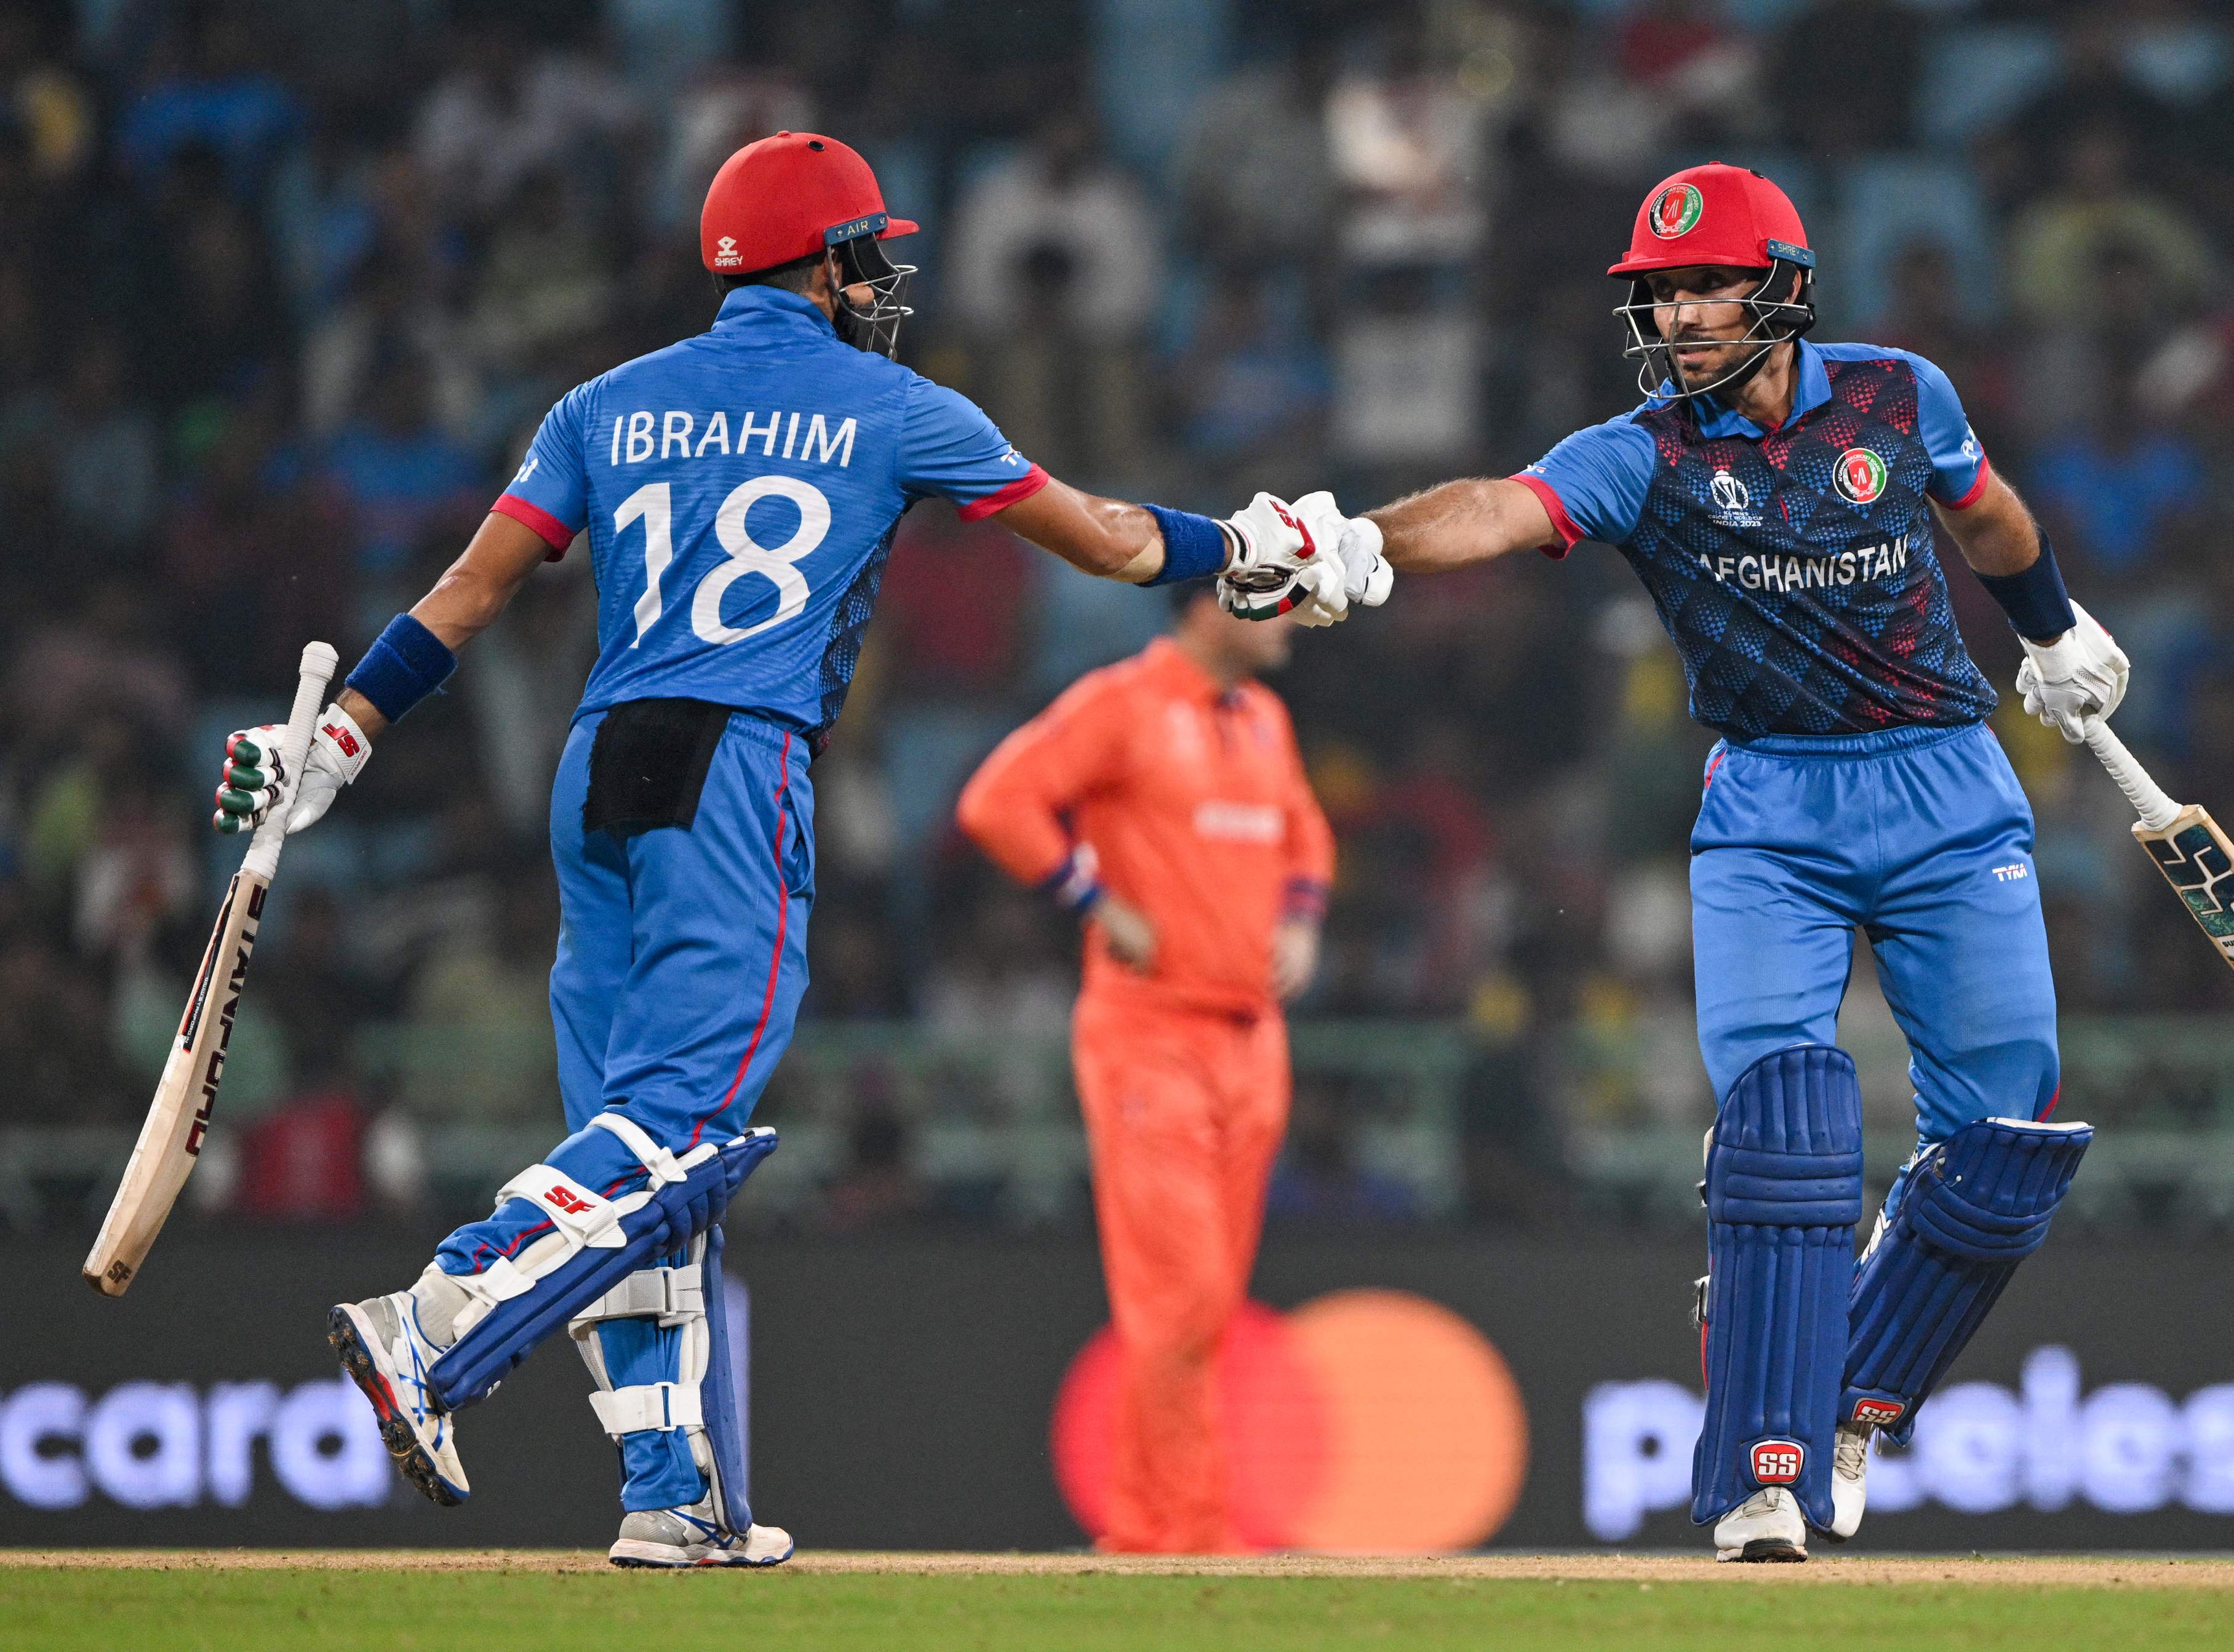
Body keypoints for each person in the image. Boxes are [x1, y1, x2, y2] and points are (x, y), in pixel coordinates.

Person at [209, 131, 1328, 1568]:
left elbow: (468, 591)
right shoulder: (893, 402)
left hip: (600, 759)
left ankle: (674, 1495)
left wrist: (340, 739)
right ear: (827, 261)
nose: (883, 280)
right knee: (675, 1127)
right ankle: (430, 1319)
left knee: (633, 1138)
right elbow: (1108, 543)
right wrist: (1242, 543)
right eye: (870, 252)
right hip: (740, 762)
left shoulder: (602, 403)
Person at [1251, 164, 2126, 1561]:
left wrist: (2049, 628)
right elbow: (1501, 505)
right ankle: (1754, 1475)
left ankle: (1854, 1399)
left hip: (1948, 786)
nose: (1671, 311)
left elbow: (1988, 514)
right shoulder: (1646, 448)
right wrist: (1364, 538)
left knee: (2009, 1138)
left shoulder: (1898, 393)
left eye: (1699, 284)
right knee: (1788, 1126)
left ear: (1780, 288)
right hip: (1772, 808)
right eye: (1656, 291)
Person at [955, 588, 1331, 1552]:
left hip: (1252, 1040)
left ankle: (1157, 1522)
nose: (1296, 617)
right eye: (1278, 598)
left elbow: (1307, 837)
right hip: (1150, 1033)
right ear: (1212, 601)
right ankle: (1179, 1527)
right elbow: (997, 801)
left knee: (1207, 1301)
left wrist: (1300, 916)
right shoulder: (1120, 703)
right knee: (1183, 1290)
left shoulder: (1266, 719)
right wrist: (1090, 896)